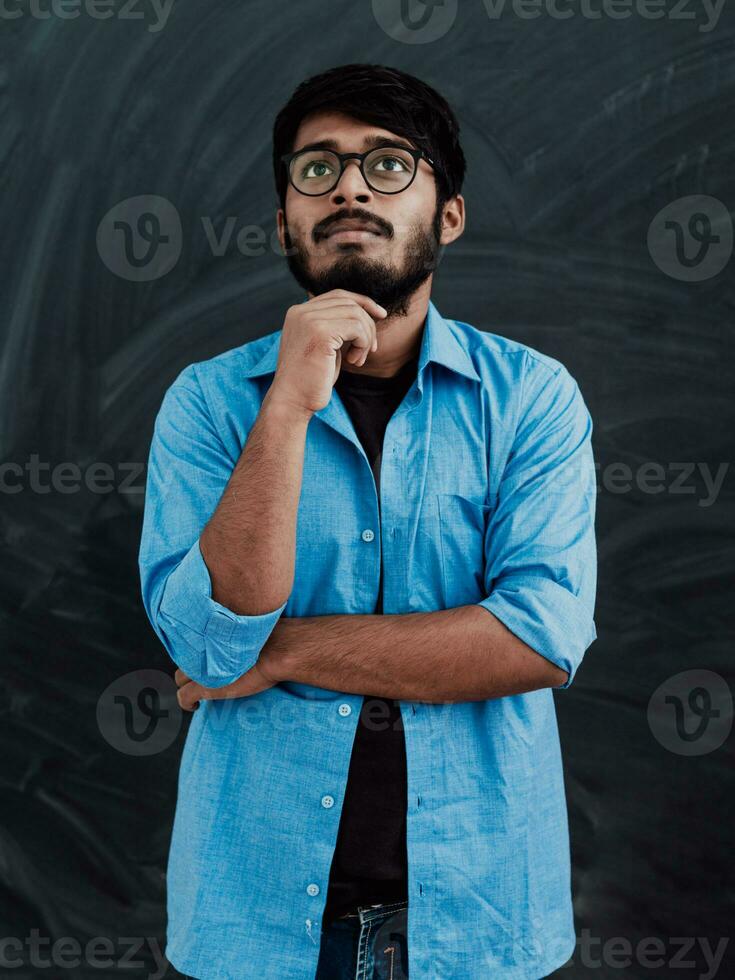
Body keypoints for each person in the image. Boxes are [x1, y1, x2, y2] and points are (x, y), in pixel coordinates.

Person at [138, 63, 597, 980]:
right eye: (317, 169)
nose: (348, 184)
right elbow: (209, 645)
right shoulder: (208, 405)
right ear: (284, 223)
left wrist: (284, 652)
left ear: (449, 214)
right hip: (254, 926)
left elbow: (539, 638)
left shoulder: (531, 400)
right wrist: (285, 411)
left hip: (480, 921)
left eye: (389, 164)